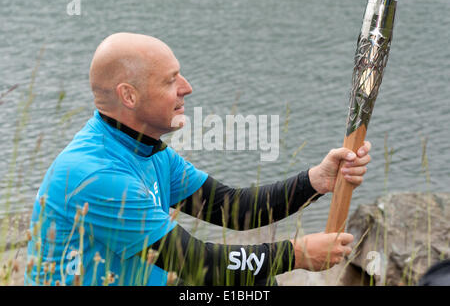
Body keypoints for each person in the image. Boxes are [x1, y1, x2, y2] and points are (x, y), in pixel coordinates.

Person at [25, 33, 371, 286]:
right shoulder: (97, 174)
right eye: (171, 80)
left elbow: (231, 207)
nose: (187, 88)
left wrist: (316, 181)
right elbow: (196, 263)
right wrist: (296, 253)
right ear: (128, 95)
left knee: (251, 285)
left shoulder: (145, 147)